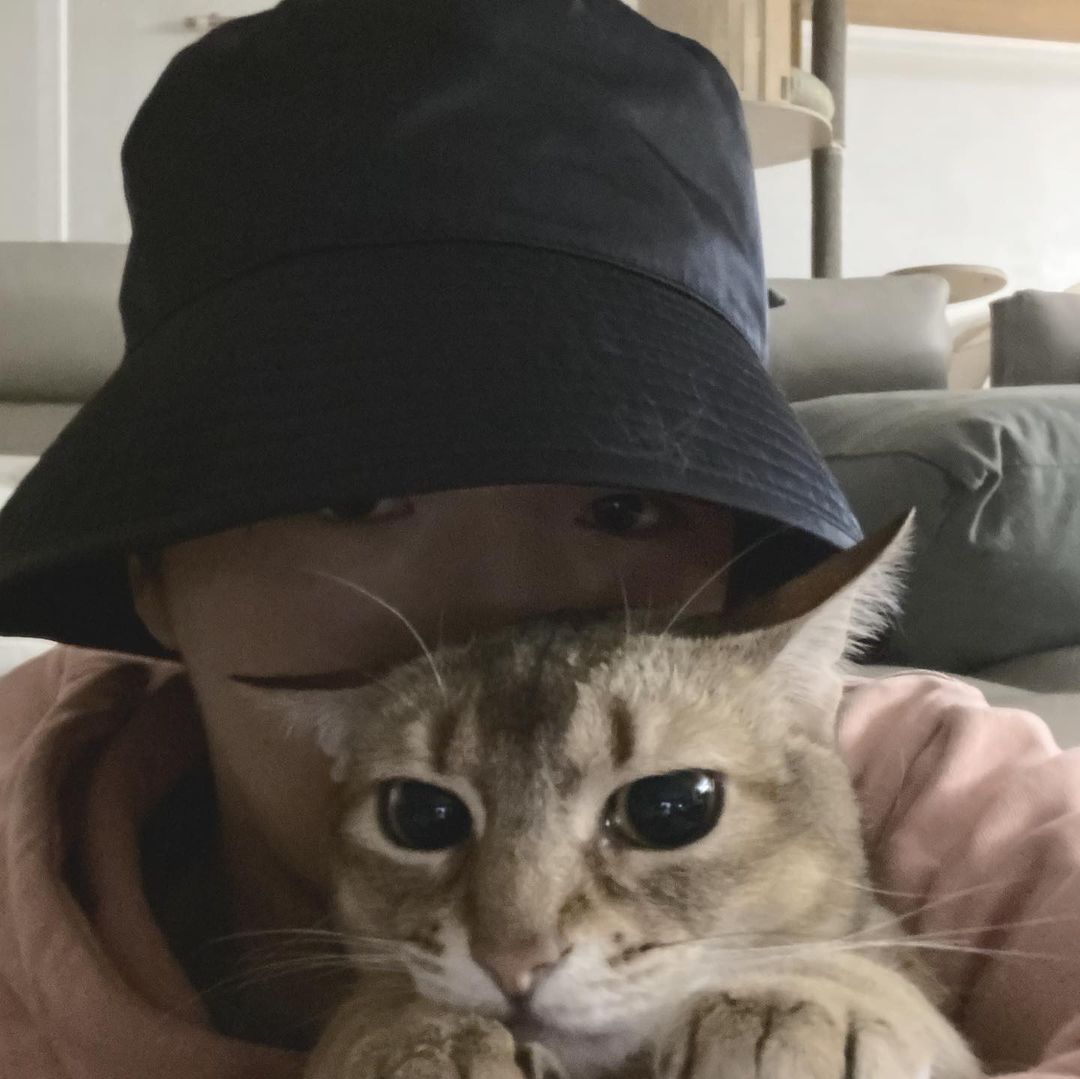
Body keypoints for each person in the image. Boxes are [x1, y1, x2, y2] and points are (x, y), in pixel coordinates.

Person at [0, 0, 1078, 1076]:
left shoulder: (934, 781)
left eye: (623, 506)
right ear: (150, 567)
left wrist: (870, 1008)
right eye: (357, 496)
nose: (503, 606)